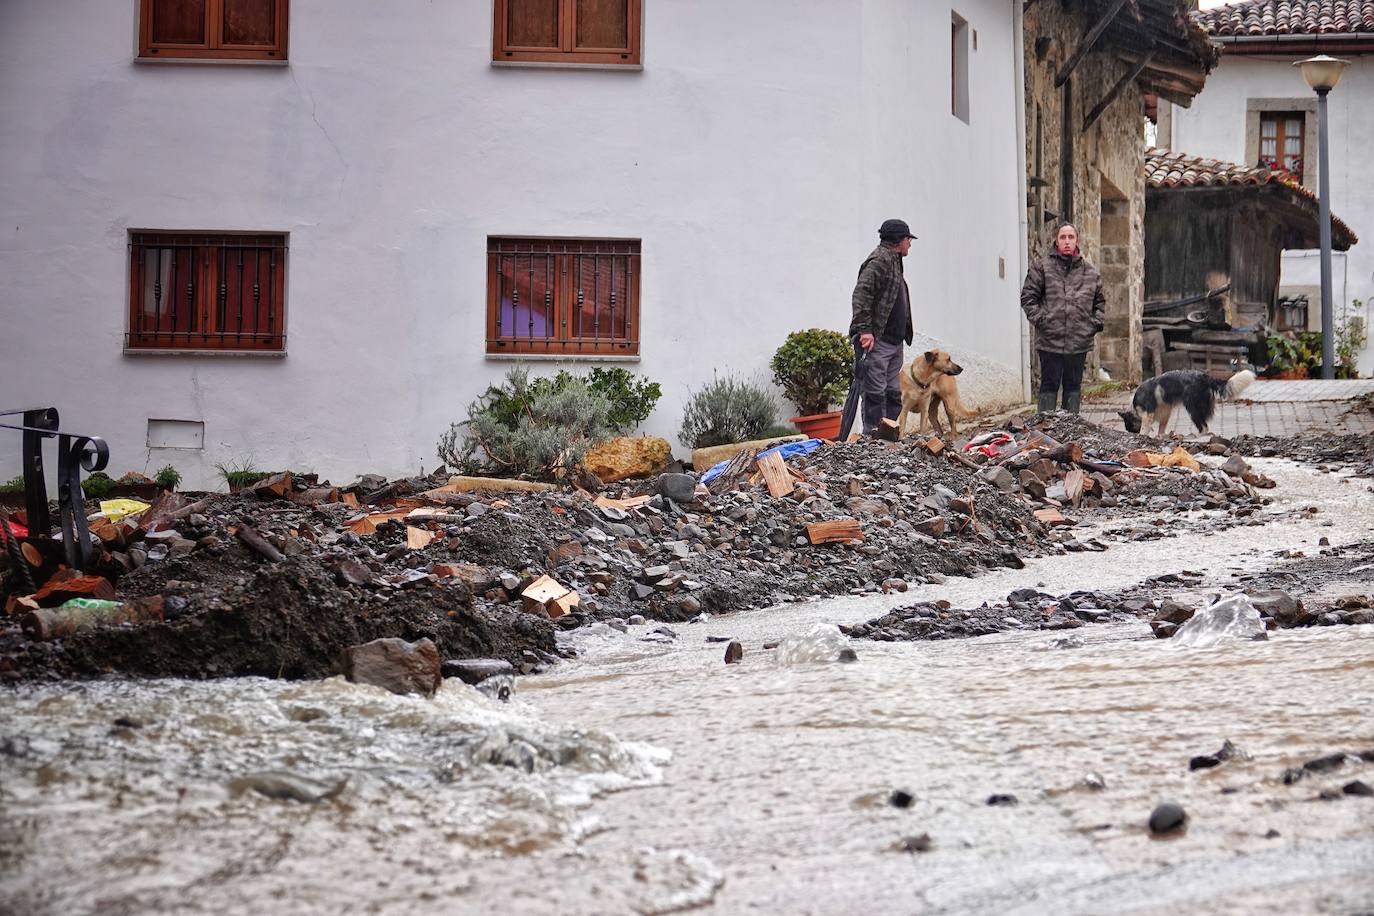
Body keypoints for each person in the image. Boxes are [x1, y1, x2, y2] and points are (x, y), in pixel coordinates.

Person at [1019, 222, 1105, 415]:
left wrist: (1093, 324)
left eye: (1071, 237)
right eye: (1063, 237)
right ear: (1056, 241)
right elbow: (1028, 297)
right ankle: (1044, 430)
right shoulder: (1042, 267)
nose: (1067, 241)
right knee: (1049, 385)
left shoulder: (1090, 273)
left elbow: (1100, 303)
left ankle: (1070, 430)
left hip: (1079, 341)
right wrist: (1042, 320)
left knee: (1073, 387)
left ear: (1077, 241)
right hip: (1050, 341)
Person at [849, 218, 916, 435]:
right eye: (908, 239)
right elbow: (861, 295)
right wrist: (865, 331)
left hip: (893, 341)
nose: (910, 244)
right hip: (877, 341)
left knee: (892, 393)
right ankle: (872, 437)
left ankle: (887, 435)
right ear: (899, 241)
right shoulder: (879, 261)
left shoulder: (893, 259)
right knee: (874, 393)